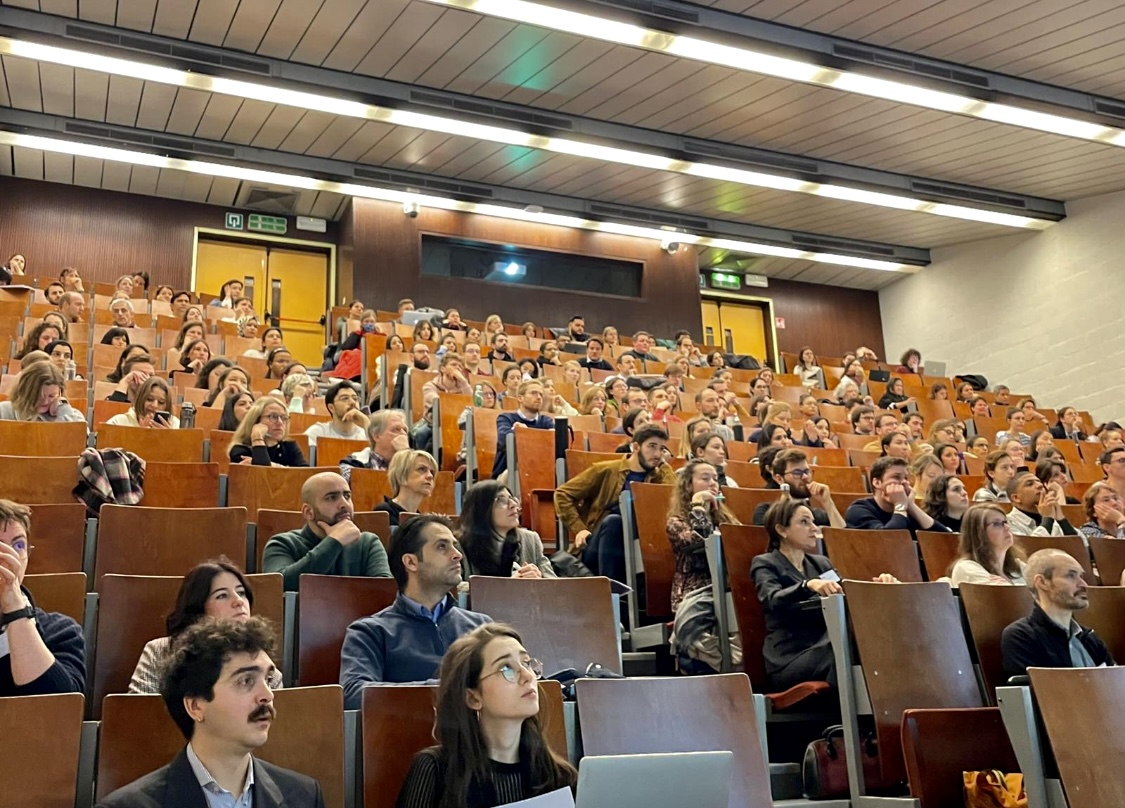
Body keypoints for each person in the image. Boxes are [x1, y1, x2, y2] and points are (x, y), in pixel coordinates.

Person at [97, 618, 324, 808]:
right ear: (195, 706)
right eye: (246, 680)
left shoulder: (305, 796)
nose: (267, 695)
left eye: (268, 679)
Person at [394, 623, 576, 808]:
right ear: (473, 698)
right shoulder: (434, 770)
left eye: (526, 663)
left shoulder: (559, 776)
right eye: (506, 668)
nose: (527, 676)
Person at [340, 515, 492, 707]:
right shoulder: (370, 632)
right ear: (411, 562)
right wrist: (443, 690)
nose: (457, 555)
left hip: (475, 726)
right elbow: (354, 693)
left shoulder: (481, 626)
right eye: (442, 546)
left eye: (455, 546)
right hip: (407, 726)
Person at [752, 501, 861, 691]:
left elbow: (846, 593)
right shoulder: (765, 563)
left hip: (825, 645)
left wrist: (876, 586)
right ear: (781, 530)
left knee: (860, 642)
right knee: (840, 648)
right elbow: (772, 599)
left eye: (813, 522)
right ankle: (845, 709)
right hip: (790, 658)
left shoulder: (821, 564)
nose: (814, 528)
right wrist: (806, 585)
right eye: (804, 522)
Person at [127, 559, 281, 693]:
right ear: (198, 608)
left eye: (241, 593)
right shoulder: (160, 652)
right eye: (222, 595)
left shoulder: (265, 665)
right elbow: (141, 712)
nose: (239, 601)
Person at [554, 424, 675, 583]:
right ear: (636, 447)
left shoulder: (659, 477)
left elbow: (673, 498)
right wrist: (580, 529)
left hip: (641, 545)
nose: (657, 454)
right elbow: (562, 494)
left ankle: (621, 591)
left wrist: (664, 466)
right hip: (599, 545)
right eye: (652, 447)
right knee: (614, 521)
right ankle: (611, 590)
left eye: (662, 449)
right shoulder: (606, 470)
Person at [0, 499, 84, 697]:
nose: (8, 558)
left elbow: (59, 706)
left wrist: (14, 605)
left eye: (18, 545)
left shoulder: (61, 631)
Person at [261, 472, 390, 591]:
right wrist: (333, 542)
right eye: (331, 498)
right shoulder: (282, 543)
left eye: (347, 496)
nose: (344, 504)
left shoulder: (367, 543)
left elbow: (384, 592)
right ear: (308, 512)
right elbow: (277, 588)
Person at [1000, 549, 1112, 679]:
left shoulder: (1091, 638)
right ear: (1042, 582)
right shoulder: (1021, 636)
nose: (1083, 584)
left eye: (1081, 576)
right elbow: (1035, 691)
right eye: (1071, 575)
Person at [665, 459, 740, 611]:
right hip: (695, 594)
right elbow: (700, 543)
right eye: (705, 479)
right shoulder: (676, 522)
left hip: (727, 587)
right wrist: (698, 506)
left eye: (715, 479)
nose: (713, 483)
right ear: (688, 485)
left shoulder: (726, 519)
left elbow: (741, 542)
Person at [457, 481, 555, 581]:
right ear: (480, 510)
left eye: (512, 499)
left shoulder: (530, 540)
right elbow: (453, 587)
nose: (513, 505)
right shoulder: (458, 546)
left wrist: (540, 579)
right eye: (501, 500)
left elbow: (555, 584)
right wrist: (507, 585)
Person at [845, 456, 949, 538]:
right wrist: (900, 505)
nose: (904, 482)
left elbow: (944, 538)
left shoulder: (907, 510)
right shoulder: (858, 509)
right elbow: (889, 539)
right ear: (877, 482)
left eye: (906, 478)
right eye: (896, 477)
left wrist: (911, 506)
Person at [750, 448, 846, 528]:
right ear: (779, 479)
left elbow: (842, 540)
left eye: (807, 471)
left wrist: (828, 503)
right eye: (796, 473)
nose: (805, 477)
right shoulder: (765, 512)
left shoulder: (817, 514)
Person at [492, 380, 553, 480]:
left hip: (540, 472)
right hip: (509, 473)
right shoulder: (506, 418)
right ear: (520, 398)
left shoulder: (546, 421)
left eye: (541, 395)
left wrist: (525, 433)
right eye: (533, 393)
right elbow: (504, 440)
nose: (539, 397)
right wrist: (519, 432)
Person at [229, 397, 309, 467]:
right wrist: (257, 438)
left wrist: (273, 465)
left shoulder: (290, 447)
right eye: (273, 417)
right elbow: (263, 474)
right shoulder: (240, 449)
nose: (280, 422)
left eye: (284, 417)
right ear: (256, 420)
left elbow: (305, 474)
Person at [0, 362, 85, 423]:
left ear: (59, 394)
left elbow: (82, 440)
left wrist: (63, 408)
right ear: (26, 392)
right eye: (39, 395)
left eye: (51, 396)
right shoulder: (3, 411)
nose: (45, 401)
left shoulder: (73, 415)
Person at [340, 409, 411, 480]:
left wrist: (405, 454)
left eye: (405, 430)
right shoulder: (354, 463)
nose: (403, 434)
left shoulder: (413, 464)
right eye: (396, 429)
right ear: (376, 436)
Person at [1005, 471, 1079, 538]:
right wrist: (1047, 519)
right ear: (1016, 498)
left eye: (1039, 482)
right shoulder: (1007, 523)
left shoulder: (1052, 519)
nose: (1040, 485)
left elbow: (1081, 544)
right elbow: (1030, 546)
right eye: (1029, 484)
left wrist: (1062, 520)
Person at [375, 450, 438, 527]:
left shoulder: (423, 520)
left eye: (432, 472)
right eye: (422, 469)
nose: (430, 476)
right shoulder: (384, 513)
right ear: (401, 476)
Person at [303, 381, 368, 447]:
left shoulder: (365, 434)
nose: (353, 402)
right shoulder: (318, 432)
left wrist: (366, 422)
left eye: (355, 398)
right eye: (345, 398)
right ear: (331, 408)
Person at [107, 377, 180, 429]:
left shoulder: (176, 425)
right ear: (141, 399)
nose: (155, 405)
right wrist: (141, 435)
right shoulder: (118, 422)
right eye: (149, 399)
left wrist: (169, 437)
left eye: (161, 402)